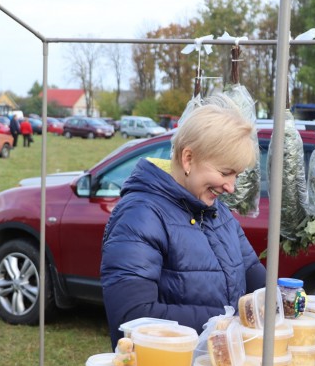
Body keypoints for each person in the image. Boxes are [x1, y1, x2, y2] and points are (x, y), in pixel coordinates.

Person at [101, 94, 266, 349]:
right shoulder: (140, 215)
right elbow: (132, 317)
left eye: (236, 175)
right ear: (188, 159)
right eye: (225, 173)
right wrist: (228, 324)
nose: (231, 187)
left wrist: (281, 300)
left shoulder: (216, 212)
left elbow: (253, 274)